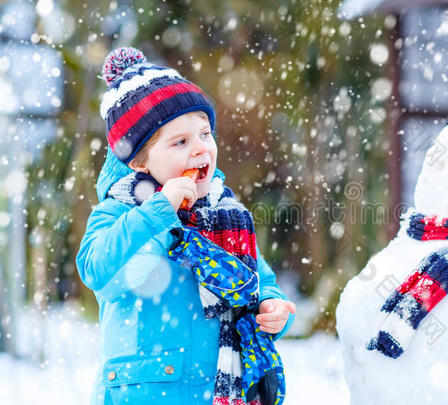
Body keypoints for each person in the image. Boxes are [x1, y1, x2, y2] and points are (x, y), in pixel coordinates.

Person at [76, 47, 296, 404]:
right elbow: (99, 271)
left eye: (205, 134)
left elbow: (259, 281)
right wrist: (159, 211)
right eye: (180, 142)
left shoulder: (226, 216)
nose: (200, 149)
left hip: (220, 389)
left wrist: (273, 308)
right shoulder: (120, 211)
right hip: (147, 390)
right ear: (140, 163)